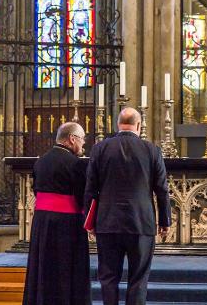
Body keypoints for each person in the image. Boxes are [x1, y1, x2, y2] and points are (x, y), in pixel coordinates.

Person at [84, 107, 171, 305]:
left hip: (107, 222)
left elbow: (90, 188)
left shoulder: (100, 148)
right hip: (141, 223)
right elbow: (162, 189)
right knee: (138, 279)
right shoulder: (152, 150)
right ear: (138, 126)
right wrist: (165, 220)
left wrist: (88, 221)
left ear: (118, 124)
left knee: (108, 278)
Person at [23, 122, 90, 305]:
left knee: (43, 268)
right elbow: (82, 197)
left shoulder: (40, 161)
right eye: (82, 139)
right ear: (72, 139)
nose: (83, 144)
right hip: (67, 225)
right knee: (64, 270)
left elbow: (37, 192)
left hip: (42, 223)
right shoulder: (76, 164)